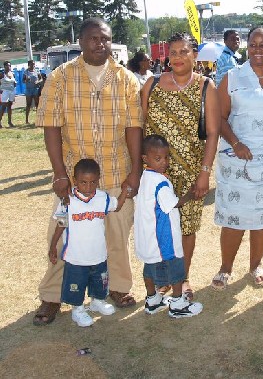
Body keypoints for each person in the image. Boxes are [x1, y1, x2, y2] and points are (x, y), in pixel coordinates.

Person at [34, 17, 143, 325]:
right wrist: (59, 173)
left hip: (115, 175)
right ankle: (52, 296)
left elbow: (134, 127)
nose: (100, 43)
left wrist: (135, 172)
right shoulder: (60, 77)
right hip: (75, 181)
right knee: (63, 239)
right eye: (93, 38)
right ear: (80, 42)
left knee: (117, 236)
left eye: (105, 38)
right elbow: (51, 127)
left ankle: (118, 288)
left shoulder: (126, 79)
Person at [212, 26, 263, 289]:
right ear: (247, 46)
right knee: (234, 216)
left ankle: (256, 264)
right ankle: (226, 267)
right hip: (239, 159)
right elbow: (219, 117)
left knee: (262, 215)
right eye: (254, 44)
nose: (258, 49)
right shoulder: (232, 77)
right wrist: (235, 143)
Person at [141, 32, 220, 299]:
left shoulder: (206, 86)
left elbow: (212, 132)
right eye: (172, 53)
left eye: (183, 51)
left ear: (194, 55)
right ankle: (161, 278)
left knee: (186, 228)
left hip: (190, 173)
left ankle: (182, 278)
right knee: (157, 227)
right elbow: (139, 127)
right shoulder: (151, 84)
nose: (177, 57)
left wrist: (205, 173)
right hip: (154, 174)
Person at [48, 159, 128, 327]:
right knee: (76, 286)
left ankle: (97, 301)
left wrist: (125, 191)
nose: (88, 186)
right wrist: (53, 247)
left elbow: (118, 206)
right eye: (83, 182)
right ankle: (77, 310)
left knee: (100, 281)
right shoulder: (67, 201)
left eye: (93, 182)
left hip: (98, 255)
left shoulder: (102, 198)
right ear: (75, 180)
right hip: (76, 257)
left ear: (98, 180)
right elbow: (61, 225)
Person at [134, 135, 204, 318]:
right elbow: (174, 204)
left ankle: (152, 300)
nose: (164, 162)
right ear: (145, 159)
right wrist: (190, 194)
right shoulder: (161, 183)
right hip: (164, 240)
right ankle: (179, 304)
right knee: (177, 270)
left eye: (166, 157)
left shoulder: (145, 178)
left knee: (149, 268)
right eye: (158, 158)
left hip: (148, 238)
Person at [23, 60, 41, 124]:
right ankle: (26, 120)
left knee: (37, 104)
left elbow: (41, 79)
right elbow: (23, 81)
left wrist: (38, 82)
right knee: (28, 104)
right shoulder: (26, 71)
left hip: (35, 89)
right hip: (28, 89)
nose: (33, 65)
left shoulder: (37, 71)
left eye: (33, 64)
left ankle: (38, 119)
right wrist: (26, 80)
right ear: (28, 64)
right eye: (31, 64)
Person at [0, 61, 16, 128]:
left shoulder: (12, 73)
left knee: (9, 106)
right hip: (5, 91)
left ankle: (10, 122)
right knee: (3, 106)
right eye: (7, 65)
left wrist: (15, 85)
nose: (8, 67)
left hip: (11, 91)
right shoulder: (2, 74)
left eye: (9, 66)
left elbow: (14, 82)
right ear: (4, 66)